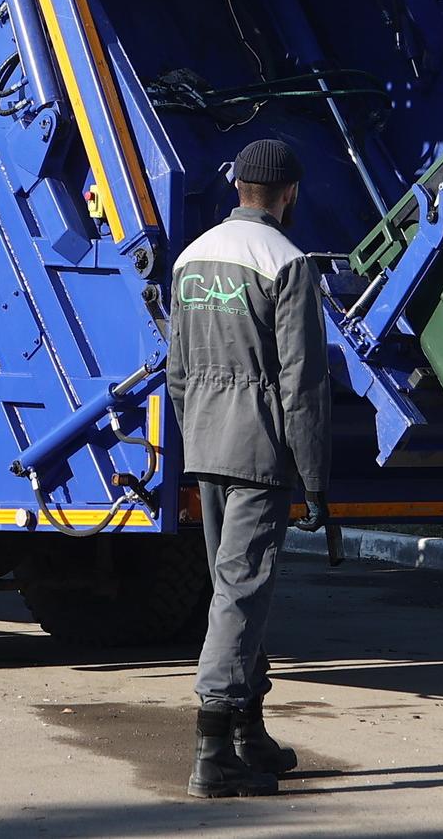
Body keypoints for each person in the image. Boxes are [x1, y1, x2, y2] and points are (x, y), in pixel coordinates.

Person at [166, 139, 331, 799]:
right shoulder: (286, 261)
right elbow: (304, 383)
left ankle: (246, 730)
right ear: (288, 192)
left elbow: (176, 371)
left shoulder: (190, 257)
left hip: (206, 445)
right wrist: (314, 476)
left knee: (232, 590)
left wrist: (195, 436)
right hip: (260, 452)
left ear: (238, 187)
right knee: (241, 592)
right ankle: (211, 750)